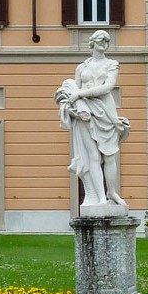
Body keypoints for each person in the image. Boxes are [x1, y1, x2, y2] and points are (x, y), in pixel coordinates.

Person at [55, 30, 130, 208]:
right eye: (100, 39)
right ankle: (99, 198)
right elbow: (73, 91)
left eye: (106, 40)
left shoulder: (112, 64)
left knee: (110, 156)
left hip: (106, 112)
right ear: (92, 42)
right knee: (93, 157)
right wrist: (73, 107)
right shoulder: (82, 67)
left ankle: (111, 192)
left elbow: (108, 87)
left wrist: (79, 94)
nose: (104, 42)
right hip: (86, 114)